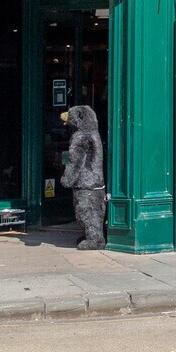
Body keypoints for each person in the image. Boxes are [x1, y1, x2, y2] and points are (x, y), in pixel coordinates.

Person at [59, 104, 107, 250]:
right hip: (97, 181)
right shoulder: (94, 133)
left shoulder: (81, 137)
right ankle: (93, 235)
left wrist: (66, 179)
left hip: (86, 183)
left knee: (85, 211)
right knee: (95, 211)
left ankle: (95, 240)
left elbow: (75, 162)